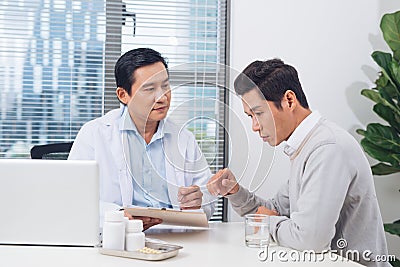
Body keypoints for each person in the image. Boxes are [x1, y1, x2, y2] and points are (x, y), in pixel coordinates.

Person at [207, 59, 389, 267]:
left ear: (289, 101)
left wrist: (268, 222)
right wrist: (235, 191)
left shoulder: (327, 147)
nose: (255, 127)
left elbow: (310, 240)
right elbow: (274, 209)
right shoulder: (306, 146)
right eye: (250, 117)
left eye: (258, 114)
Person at [69, 48, 215, 230]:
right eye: (149, 89)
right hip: (119, 235)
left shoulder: (183, 138)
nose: (162, 97)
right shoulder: (94, 134)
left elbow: (208, 201)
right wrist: (117, 216)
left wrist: (199, 201)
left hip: (175, 239)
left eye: (165, 86)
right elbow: (73, 198)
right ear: (123, 95)